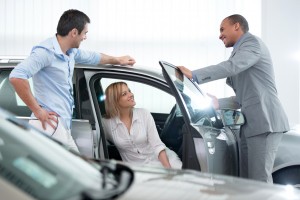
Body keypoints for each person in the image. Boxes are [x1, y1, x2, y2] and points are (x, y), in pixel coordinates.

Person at [177, 14, 289, 183]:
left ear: (236, 26)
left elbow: (232, 67)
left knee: (259, 180)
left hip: (265, 122)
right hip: (251, 125)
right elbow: (242, 98)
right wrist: (218, 103)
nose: (219, 35)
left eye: (222, 29)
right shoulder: (239, 52)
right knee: (246, 181)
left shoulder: (252, 43)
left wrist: (194, 75)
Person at [9, 9, 135, 152]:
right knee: (73, 171)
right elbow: (16, 76)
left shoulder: (70, 52)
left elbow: (94, 57)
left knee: (75, 169)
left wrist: (118, 60)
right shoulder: (45, 52)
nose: (85, 37)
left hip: (63, 128)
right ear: (74, 32)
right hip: (51, 127)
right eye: (85, 33)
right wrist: (38, 111)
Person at [102, 81, 182, 169]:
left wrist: (169, 170)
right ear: (114, 101)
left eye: (129, 91)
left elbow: (157, 145)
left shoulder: (144, 113)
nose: (131, 94)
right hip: (137, 169)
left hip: (162, 160)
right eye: (124, 94)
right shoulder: (106, 123)